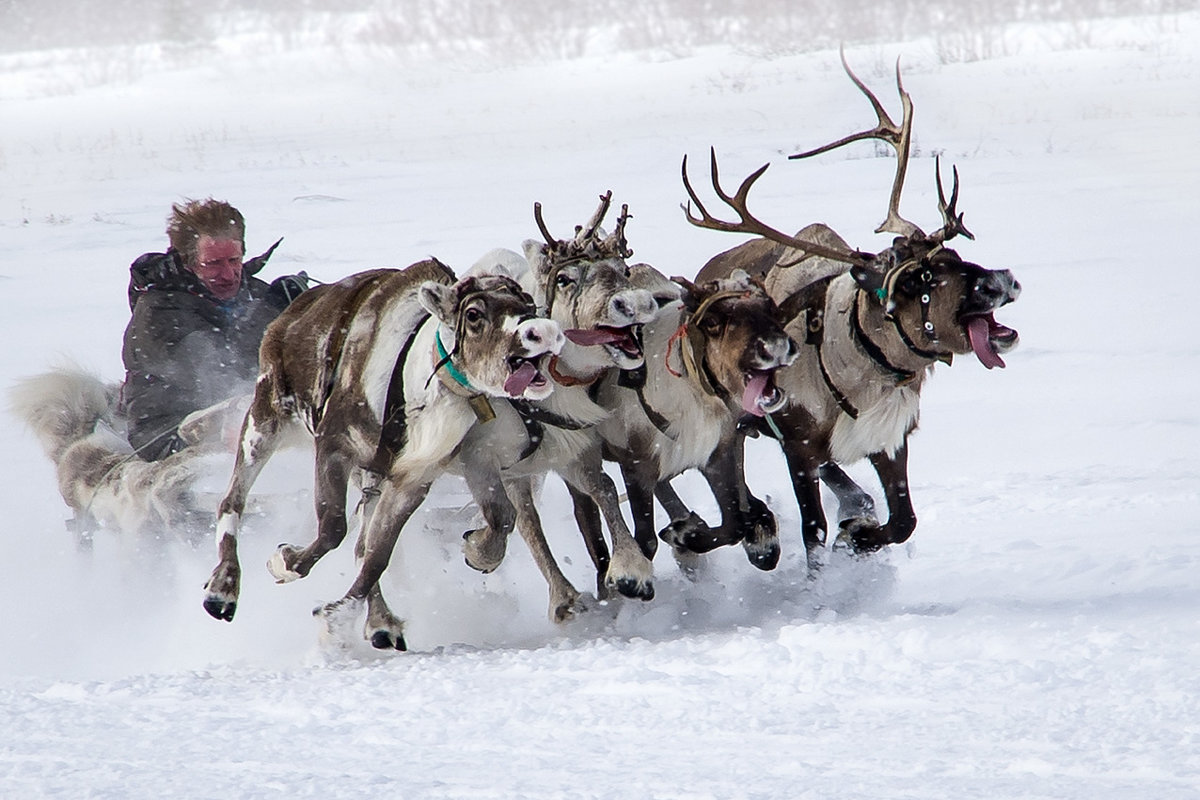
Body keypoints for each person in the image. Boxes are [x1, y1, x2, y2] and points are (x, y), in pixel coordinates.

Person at [121, 198, 307, 461]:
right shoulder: (157, 312)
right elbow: (220, 375)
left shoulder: (255, 293)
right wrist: (271, 314)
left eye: (234, 260)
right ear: (189, 262)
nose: (229, 274)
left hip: (246, 419)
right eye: (214, 264)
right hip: (171, 432)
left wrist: (301, 315)